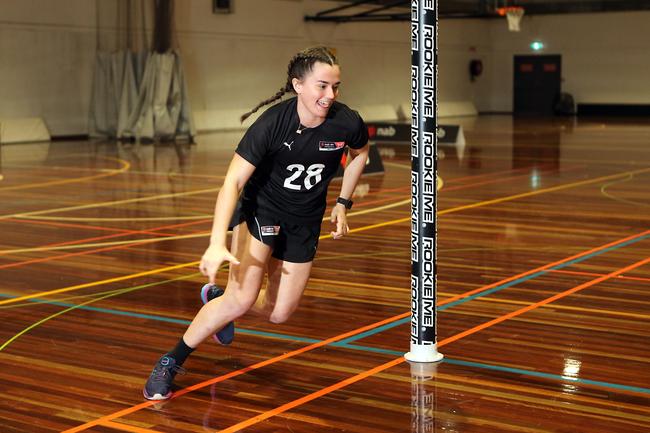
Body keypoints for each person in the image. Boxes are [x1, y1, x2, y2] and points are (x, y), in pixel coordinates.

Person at [143, 46, 370, 400]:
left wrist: (343, 202)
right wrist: (217, 241)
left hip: (304, 222)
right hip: (262, 212)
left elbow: (360, 153)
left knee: (279, 314)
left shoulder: (347, 122)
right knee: (241, 299)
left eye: (335, 87)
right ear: (298, 85)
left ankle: (220, 301)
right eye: (322, 86)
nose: (330, 95)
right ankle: (171, 360)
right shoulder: (271, 124)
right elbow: (232, 182)